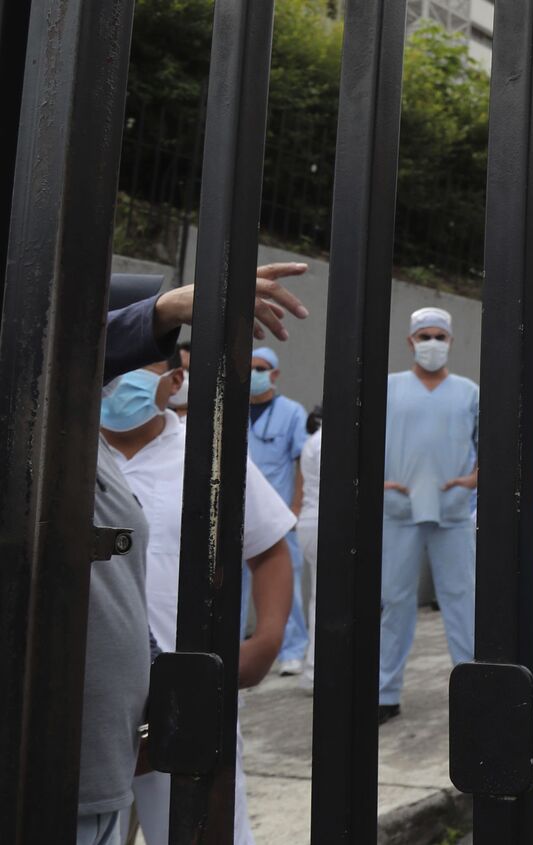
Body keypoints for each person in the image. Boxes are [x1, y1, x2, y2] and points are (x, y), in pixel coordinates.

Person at [74, 268, 306, 845]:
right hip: (87, 701)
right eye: (113, 361)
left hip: (183, 689)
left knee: (198, 829)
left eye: (139, 364)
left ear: (174, 377)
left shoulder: (207, 452)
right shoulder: (60, 448)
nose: (119, 378)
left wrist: (266, 641)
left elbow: (270, 547)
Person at [378, 306, 480, 724]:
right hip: (397, 510)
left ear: (451, 342)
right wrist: (379, 484)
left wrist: (474, 479)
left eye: (440, 336)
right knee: (393, 601)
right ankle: (385, 692)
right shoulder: (388, 388)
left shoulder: (469, 393)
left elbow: (490, 444)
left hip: (452, 510)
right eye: (425, 337)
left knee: (462, 600)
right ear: (410, 342)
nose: (432, 344)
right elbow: (363, 443)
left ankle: (474, 686)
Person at [246, 345, 312, 676]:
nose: (254, 374)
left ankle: (293, 649)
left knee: (286, 586)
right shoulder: (230, 408)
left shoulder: (291, 412)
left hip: (277, 517)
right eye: (249, 368)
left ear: (274, 374)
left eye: (261, 368)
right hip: (237, 514)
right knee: (234, 587)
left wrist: (297, 505)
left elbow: (301, 459)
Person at [296, 406, 323, 691]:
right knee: (329, 601)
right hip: (325, 524)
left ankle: (313, 671)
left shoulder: (311, 442)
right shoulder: (328, 440)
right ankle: (316, 672)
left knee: (319, 598)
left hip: (311, 523)